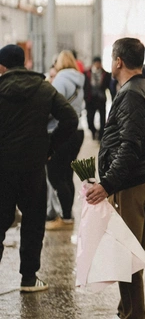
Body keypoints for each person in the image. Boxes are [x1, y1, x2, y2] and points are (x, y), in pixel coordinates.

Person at [85, 38, 145, 319]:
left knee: (127, 259)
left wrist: (107, 184)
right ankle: (127, 311)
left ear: (118, 61)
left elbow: (129, 146)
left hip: (133, 186)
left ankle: (135, 315)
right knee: (130, 253)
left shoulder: (131, 93)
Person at [0, 44, 78, 292]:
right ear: (24, 63)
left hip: (2, 168)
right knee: (33, 222)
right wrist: (50, 147)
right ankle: (29, 279)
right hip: (33, 167)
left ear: (3, 66)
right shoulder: (44, 88)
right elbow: (70, 118)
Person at [45, 51, 86, 231]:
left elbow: (54, 105)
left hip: (61, 130)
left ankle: (65, 217)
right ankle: (68, 215)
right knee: (67, 174)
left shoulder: (61, 79)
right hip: (77, 131)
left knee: (55, 174)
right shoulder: (79, 79)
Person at [84, 56, 111, 140]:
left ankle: (100, 136)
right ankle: (93, 131)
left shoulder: (105, 74)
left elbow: (108, 86)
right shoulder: (87, 73)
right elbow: (84, 86)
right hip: (90, 99)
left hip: (101, 99)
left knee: (102, 119)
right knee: (89, 118)